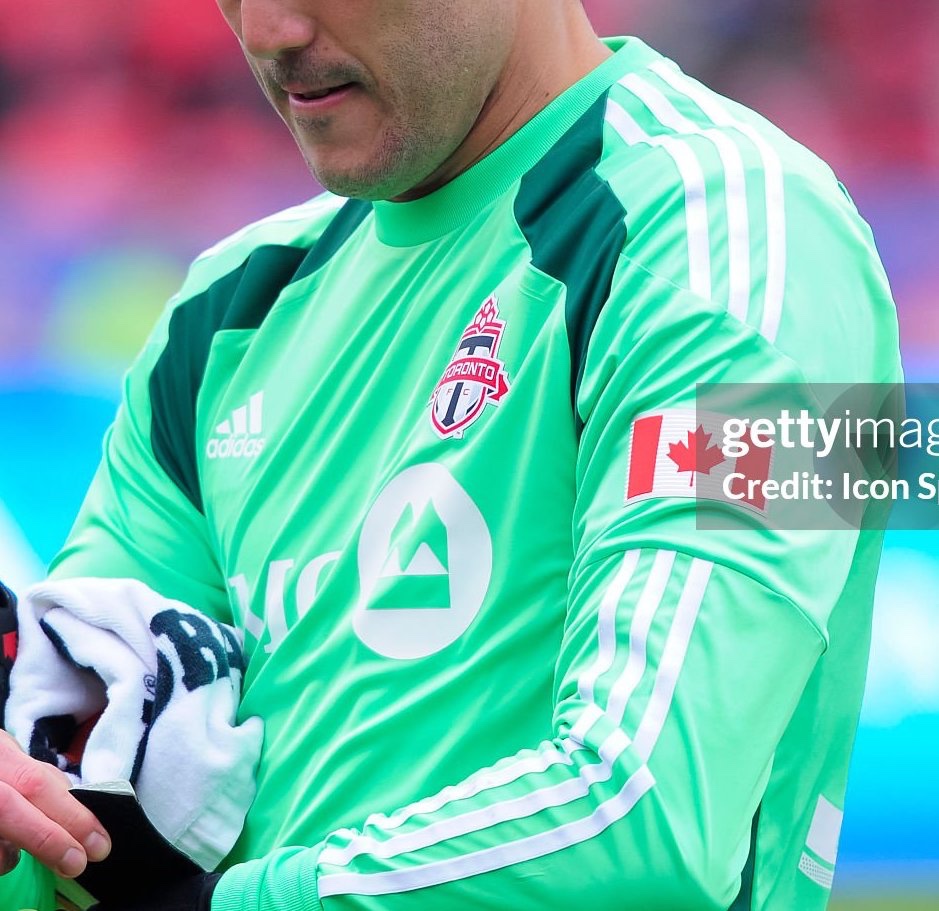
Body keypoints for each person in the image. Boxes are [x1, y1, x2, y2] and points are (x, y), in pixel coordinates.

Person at [0, 1, 903, 909]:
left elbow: (652, 816)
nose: (269, 30)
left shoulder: (748, 238)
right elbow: (70, 810)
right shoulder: (223, 313)